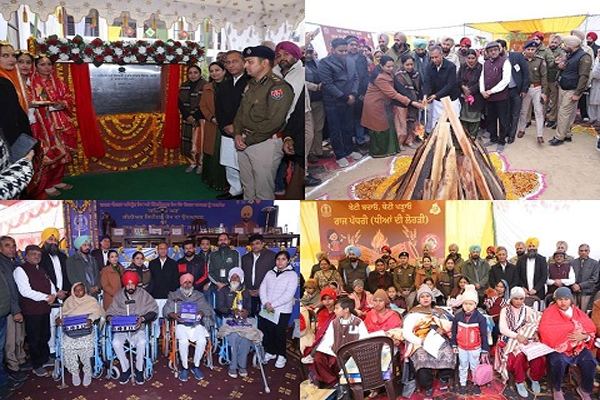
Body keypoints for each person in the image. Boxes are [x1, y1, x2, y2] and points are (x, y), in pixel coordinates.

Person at [233, 46, 293, 200]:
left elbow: (274, 122)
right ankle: (248, 213)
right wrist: (237, 133)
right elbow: (240, 112)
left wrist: (248, 140)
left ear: (265, 63)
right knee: (248, 186)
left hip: (264, 143)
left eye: (250, 62)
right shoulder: (252, 84)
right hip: (244, 139)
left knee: (263, 191)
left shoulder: (278, 87)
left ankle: (264, 216)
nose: (245, 65)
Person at [29, 54, 77, 197]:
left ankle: (57, 180)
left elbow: (68, 97)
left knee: (64, 152)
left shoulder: (58, 82)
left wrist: (63, 103)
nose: (47, 67)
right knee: (49, 153)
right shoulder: (32, 84)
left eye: (49, 64)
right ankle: (47, 184)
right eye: (42, 64)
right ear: (36, 67)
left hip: (61, 121)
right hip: (44, 123)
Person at [539, 287, 597, 400]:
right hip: (559, 347)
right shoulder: (549, 313)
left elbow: (590, 328)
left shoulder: (578, 312)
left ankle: (584, 389)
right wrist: (566, 340)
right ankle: (557, 388)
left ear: (571, 300)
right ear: (555, 300)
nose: (563, 302)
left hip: (578, 346)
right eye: (560, 299)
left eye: (566, 299)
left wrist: (585, 336)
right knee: (559, 362)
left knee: (590, 361)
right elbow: (545, 331)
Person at [403, 284, 455, 400]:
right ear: (419, 299)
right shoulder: (413, 313)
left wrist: (443, 329)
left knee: (448, 353)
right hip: (419, 341)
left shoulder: (440, 311)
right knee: (421, 358)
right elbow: (406, 333)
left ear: (432, 298)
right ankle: (428, 386)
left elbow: (451, 324)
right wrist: (420, 341)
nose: (425, 298)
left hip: (438, 340)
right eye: (422, 297)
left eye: (428, 296)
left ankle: (443, 377)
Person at [107, 271, 158, 385]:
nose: (130, 286)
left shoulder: (143, 294)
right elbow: (110, 311)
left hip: (138, 328)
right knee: (116, 343)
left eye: (132, 284)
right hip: (122, 329)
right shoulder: (118, 296)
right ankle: (126, 369)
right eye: (128, 284)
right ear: (124, 284)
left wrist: (142, 318)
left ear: (136, 284)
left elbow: (153, 310)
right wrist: (110, 318)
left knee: (142, 342)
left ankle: (139, 369)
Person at [319, 38, 362, 168]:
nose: (344, 53)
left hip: (349, 100)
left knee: (348, 127)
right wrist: (344, 97)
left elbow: (356, 78)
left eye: (345, 51)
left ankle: (349, 150)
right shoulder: (325, 63)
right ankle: (340, 155)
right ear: (332, 50)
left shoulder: (350, 61)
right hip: (333, 102)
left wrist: (353, 94)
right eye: (340, 51)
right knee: (335, 130)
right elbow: (328, 84)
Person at [13, 245, 56, 377]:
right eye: (33, 254)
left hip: (44, 308)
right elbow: (25, 291)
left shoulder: (41, 269)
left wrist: (53, 295)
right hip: (32, 310)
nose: (36, 257)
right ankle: (37, 364)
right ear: (26, 256)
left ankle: (45, 358)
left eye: (39, 254)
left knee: (45, 335)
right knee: (34, 339)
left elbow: (50, 284)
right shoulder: (21, 270)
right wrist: (46, 297)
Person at [494, 286, 545, 397]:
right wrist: (517, 336)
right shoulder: (505, 310)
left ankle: (534, 378)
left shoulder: (527, 309)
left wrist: (535, 333)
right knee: (519, 356)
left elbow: (534, 322)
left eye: (521, 299)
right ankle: (519, 381)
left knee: (538, 356)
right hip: (510, 339)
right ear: (511, 298)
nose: (518, 301)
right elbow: (503, 329)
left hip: (526, 338)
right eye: (516, 299)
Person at [164, 273, 214, 382]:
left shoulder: (199, 295)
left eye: (189, 282)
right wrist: (173, 315)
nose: (187, 285)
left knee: (202, 341)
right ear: (181, 283)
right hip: (181, 324)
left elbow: (208, 309)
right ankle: (185, 367)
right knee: (183, 342)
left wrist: (201, 312)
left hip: (196, 324)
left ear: (192, 284)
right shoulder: (174, 295)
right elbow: (166, 310)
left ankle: (196, 366)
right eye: (185, 282)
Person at [55, 282, 105, 387]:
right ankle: (74, 372)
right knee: (66, 347)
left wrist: (91, 319)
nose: (78, 292)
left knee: (86, 347)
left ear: (85, 290)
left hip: (86, 329)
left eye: (80, 290)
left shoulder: (91, 300)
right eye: (76, 290)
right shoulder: (69, 301)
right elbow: (60, 313)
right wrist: (58, 319)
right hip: (70, 330)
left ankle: (87, 371)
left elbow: (98, 312)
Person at [312, 296, 369, 388]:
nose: (334, 311)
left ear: (346, 310)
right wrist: (331, 352)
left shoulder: (358, 322)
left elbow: (363, 340)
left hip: (351, 354)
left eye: (337, 308)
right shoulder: (334, 323)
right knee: (318, 358)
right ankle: (332, 382)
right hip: (334, 351)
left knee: (338, 361)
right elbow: (328, 339)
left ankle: (345, 385)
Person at [215, 50, 248, 200]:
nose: (231, 65)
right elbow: (218, 109)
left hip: (244, 131)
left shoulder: (251, 82)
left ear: (244, 62)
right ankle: (235, 190)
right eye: (228, 62)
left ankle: (247, 191)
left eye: (235, 61)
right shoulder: (224, 84)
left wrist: (237, 127)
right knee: (229, 162)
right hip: (227, 131)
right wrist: (225, 125)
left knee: (243, 164)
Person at [362, 55, 409, 157]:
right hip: (374, 104)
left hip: (383, 104)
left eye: (392, 66)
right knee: (379, 128)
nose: (391, 69)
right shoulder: (380, 78)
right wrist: (409, 102)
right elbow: (393, 94)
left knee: (387, 125)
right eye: (388, 67)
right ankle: (379, 152)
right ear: (381, 66)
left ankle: (390, 149)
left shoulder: (388, 73)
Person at [551, 36, 592, 146]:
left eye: (565, 45)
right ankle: (567, 134)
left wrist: (578, 93)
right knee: (568, 113)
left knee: (563, 113)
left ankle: (559, 137)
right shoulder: (570, 55)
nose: (563, 47)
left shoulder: (584, 57)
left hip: (572, 89)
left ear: (572, 45)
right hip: (563, 87)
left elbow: (584, 76)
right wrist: (560, 67)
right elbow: (568, 69)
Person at [258, 250, 297, 369]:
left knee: (279, 333)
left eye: (283, 259)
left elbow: (289, 294)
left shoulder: (292, 275)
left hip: (282, 310)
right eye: (278, 259)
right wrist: (266, 302)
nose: (280, 262)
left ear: (288, 261)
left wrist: (273, 304)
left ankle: (282, 355)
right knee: (268, 331)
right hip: (267, 308)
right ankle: (271, 351)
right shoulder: (270, 273)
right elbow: (262, 288)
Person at [216, 267, 254, 378]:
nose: (234, 279)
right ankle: (233, 366)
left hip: (243, 320)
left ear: (241, 279)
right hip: (229, 319)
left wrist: (246, 312)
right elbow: (220, 307)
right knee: (234, 337)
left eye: (237, 277)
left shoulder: (245, 292)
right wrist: (231, 311)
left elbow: (250, 308)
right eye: (232, 276)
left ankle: (242, 366)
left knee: (246, 338)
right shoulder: (224, 290)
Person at [451, 285, 489, 395]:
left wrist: (484, 350)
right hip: (461, 347)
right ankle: (462, 384)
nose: (468, 306)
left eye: (470, 304)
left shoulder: (480, 318)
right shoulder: (457, 317)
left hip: (475, 348)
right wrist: (454, 344)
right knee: (463, 366)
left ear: (475, 305)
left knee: (474, 366)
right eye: (465, 304)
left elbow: (484, 335)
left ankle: (476, 383)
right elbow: (454, 331)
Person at [0, 236, 27, 386]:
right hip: (9, 308)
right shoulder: (2, 264)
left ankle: (20, 359)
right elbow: (7, 289)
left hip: (19, 306)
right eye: (7, 245)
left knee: (19, 336)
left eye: (13, 245)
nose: (12, 248)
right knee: (10, 340)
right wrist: (15, 310)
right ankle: (13, 367)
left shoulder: (14, 263)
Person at [39, 227, 69, 359]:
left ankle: (63, 347)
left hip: (64, 295)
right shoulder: (41, 257)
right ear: (44, 240)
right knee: (51, 325)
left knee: (63, 322)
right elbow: (44, 277)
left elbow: (67, 275)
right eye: (50, 239)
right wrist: (56, 292)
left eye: (55, 240)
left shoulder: (62, 256)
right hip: (50, 296)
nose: (53, 242)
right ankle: (51, 350)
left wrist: (65, 291)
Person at [198, 61, 228, 190]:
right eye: (211, 71)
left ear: (224, 71)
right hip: (212, 124)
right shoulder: (207, 87)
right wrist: (211, 118)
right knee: (211, 152)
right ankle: (211, 179)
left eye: (217, 70)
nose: (214, 73)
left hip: (227, 125)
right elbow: (202, 106)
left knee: (224, 153)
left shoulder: (231, 86)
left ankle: (223, 182)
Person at [481, 41, 512, 152]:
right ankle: (493, 138)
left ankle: (501, 141)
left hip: (501, 97)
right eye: (490, 51)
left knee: (503, 120)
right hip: (489, 97)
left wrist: (491, 91)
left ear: (499, 50)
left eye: (495, 50)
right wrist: (482, 91)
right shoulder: (485, 63)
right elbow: (482, 78)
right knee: (491, 119)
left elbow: (506, 80)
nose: (493, 52)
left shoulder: (505, 62)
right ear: (487, 53)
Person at [0, 42, 31, 148]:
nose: (12, 60)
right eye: (5, 56)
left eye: (13, 55)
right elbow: (9, 119)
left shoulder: (8, 79)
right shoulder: (3, 83)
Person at [423, 46, 460, 133]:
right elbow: (427, 82)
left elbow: (450, 85)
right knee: (438, 121)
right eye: (432, 58)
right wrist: (425, 95)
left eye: (436, 57)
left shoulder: (451, 66)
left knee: (453, 121)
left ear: (442, 55)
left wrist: (436, 95)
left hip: (451, 99)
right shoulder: (429, 66)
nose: (434, 60)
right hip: (438, 100)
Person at [517, 40, 548, 143]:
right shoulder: (521, 60)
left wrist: (544, 92)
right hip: (525, 89)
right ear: (524, 50)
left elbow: (544, 76)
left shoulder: (540, 60)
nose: (530, 51)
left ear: (536, 50)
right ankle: (521, 129)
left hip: (537, 88)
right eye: (528, 49)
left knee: (538, 111)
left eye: (532, 49)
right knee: (523, 111)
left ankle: (540, 135)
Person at [178, 64, 206, 174]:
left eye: (195, 72)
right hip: (187, 118)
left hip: (200, 119)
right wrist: (188, 116)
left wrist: (194, 117)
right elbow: (180, 103)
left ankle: (201, 164)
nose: (193, 75)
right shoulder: (184, 85)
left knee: (199, 142)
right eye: (190, 73)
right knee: (187, 141)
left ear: (200, 74)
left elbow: (206, 104)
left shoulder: (206, 85)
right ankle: (192, 162)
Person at [393, 54, 424, 150]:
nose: (410, 67)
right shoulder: (398, 76)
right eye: (407, 65)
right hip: (401, 103)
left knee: (412, 123)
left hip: (414, 102)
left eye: (411, 64)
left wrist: (420, 98)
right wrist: (413, 102)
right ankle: (400, 143)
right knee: (402, 124)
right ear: (403, 64)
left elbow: (419, 88)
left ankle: (410, 140)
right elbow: (403, 91)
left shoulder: (416, 74)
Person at [240, 234, 276, 316]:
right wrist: (247, 289)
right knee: (250, 316)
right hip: (249, 293)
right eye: (252, 244)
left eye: (257, 243)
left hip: (267, 293)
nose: (255, 246)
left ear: (263, 244)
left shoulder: (272, 256)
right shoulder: (245, 258)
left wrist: (261, 290)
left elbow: (276, 275)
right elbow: (241, 275)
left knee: (265, 317)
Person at [458, 49, 484, 137]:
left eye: (473, 58)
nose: (471, 60)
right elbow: (458, 78)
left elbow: (481, 82)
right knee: (463, 116)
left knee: (474, 117)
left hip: (476, 96)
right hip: (463, 95)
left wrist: (470, 91)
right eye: (469, 58)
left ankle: (473, 135)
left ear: (476, 58)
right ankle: (465, 135)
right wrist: (463, 87)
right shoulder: (463, 66)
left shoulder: (480, 68)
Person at [148, 242, 179, 316]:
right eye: (161, 249)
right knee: (155, 316)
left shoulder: (173, 263)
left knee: (168, 316)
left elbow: (176, 279)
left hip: (169, 295)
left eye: (165, 248)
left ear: (168, 250)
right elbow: (150, 279)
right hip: (155, 295)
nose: (163, 250)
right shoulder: (152, 263)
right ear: (157, 250)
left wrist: (172, 291)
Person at [571, 244, 599, 312]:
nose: (583, 252)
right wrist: (574, 285)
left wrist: (580, 286)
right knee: (572, 312)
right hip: (573, 292)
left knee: (583, 313)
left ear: (589, 251)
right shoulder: (572, 262)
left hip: (586, 293)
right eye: (581, 251)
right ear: (578, 252)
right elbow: (569, 276)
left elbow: (594, 279)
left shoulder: (594, 263)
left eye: (586, 250)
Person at [546, 35, 566, 129]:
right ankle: (543, 117)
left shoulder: (561, 52)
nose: (553, 44)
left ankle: (552, 119)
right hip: (545, 79)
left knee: (554, 101)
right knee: (544, 100)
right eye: (552, 42)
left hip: (554, 79)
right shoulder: (545, 50)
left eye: (555, 43)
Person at [483, 279, 509, 344]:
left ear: (505, 288)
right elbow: (486, 308)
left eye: (502, 287)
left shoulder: (507, 300)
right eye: (498, 286)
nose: (499, 289)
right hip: (490, 321)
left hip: (501, 322)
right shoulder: (490, 297)